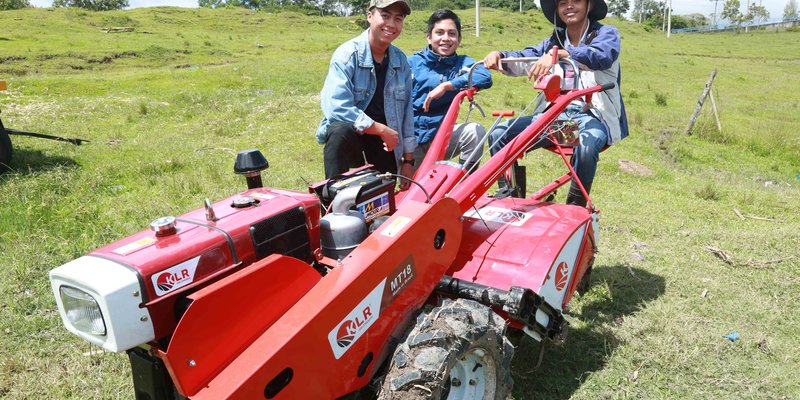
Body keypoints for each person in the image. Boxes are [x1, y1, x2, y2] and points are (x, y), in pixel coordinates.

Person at [483, 0, 628, 206]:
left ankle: (575, 207)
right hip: (556, 122)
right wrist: (501, 56)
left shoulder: (606, 34)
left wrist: (562, 54)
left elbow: (602, 56)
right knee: (499, 134)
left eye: (576, 1)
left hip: (590, 117)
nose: (569, 6)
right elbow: (526, 57)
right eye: (562, 3)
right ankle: (509, 197)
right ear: (557, 10)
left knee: (586, 145)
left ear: (590, 5)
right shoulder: (554, 40)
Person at [315, 0, 415, 187]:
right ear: (370, 16)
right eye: (385, 16)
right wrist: (381, 129)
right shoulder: (347, 54)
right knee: (339, 131)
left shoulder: (401, 61)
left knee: (380, 199)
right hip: (355, 135)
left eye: (398, 19)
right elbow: (337, 108)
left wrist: (408, 161)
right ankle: (333, 204)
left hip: (384, 142)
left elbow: (407, 112)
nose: (391, 25)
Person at [408, 10, 492, 172]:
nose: (445, 38)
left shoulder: (462, 63)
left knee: (474, 131)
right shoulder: (411, 62)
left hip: (441, 138)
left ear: (459, 39)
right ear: (429, 37)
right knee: (414, 193)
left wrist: (448, 85)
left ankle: (464, 184)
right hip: (410, 142)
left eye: (452, 34)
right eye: (439, 33)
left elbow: (484, 76)